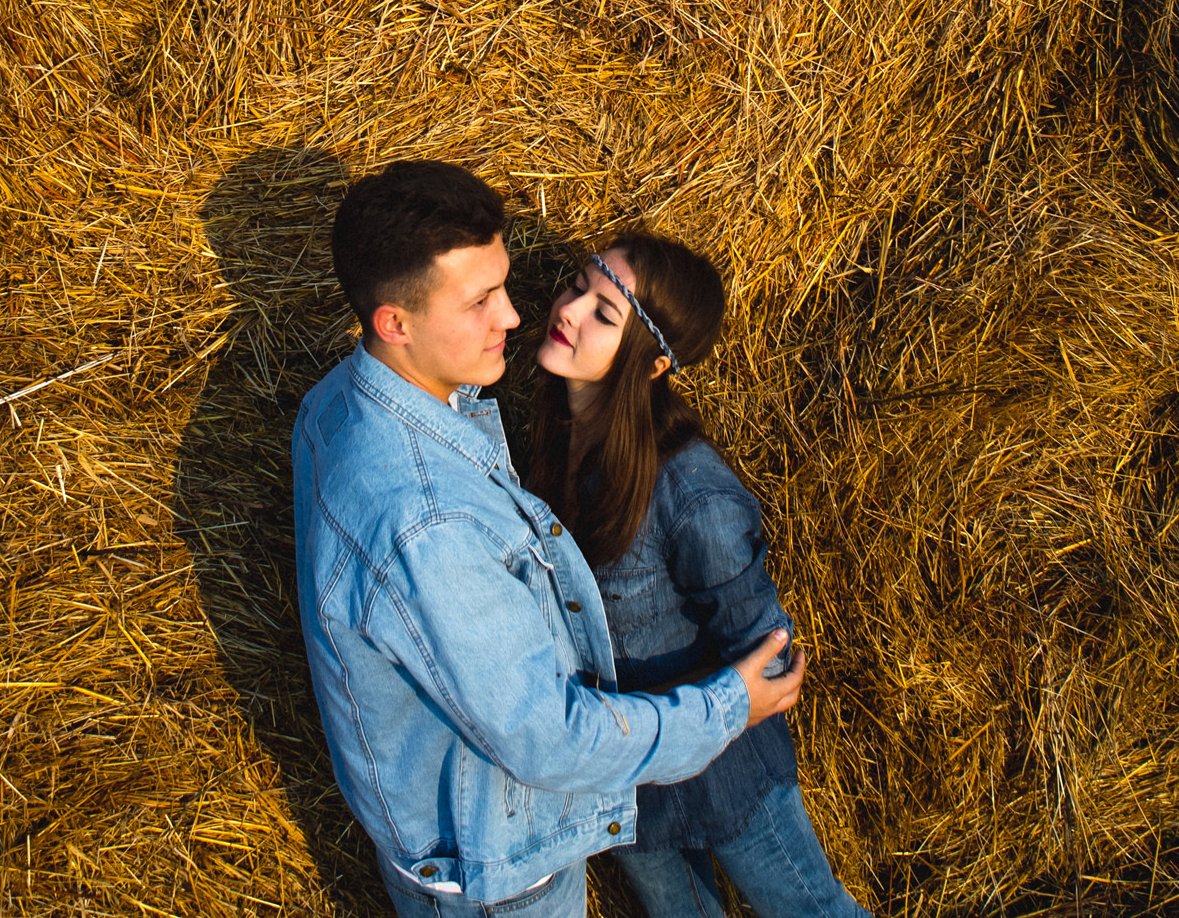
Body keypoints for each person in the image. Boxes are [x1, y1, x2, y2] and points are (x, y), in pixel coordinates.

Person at [292, 161, 809, 918]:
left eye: (504, 288)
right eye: (479, 301)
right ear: (394, 323)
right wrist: (727, 707)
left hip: (621, 778)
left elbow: (755, 632)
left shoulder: (340, 403)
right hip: (509, 857)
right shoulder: (433, 523)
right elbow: (550, 739)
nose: (516, 315)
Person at [523, 232, 870, 918]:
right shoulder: (549, 447)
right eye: (577, 287)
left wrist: (700, 711)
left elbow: (768, 654)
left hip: (724, 775)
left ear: (653, 365)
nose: (569, 310)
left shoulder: (690, 493)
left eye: (603, 313)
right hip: (624, 784)